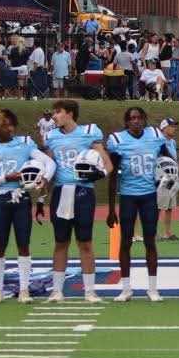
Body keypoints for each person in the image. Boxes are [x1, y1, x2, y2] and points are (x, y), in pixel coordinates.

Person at [0, 109, 55, 303]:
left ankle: (24, 290)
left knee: (24, 244)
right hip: (1, 199)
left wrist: (44, 178)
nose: (10, 128)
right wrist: (6, 177)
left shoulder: (25, 143)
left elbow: (49, 163)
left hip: (22, 199)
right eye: (5, 125)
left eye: (12, 124)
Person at [40, 100, 111, 303]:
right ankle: (57, 291)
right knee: (60, 242)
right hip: (61, 191)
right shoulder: (51, 136)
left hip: (83, 192)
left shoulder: (89, 133)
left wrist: (97, 175)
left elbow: (107, 164)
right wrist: (42, 195)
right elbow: (49, 168)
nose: (54, 116)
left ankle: (90, 291)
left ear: (70, 113)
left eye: (58, 112)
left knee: (85, 242)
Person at [106, 107, 169, 302]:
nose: (136, 121)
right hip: (128, 196)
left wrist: (166, 180)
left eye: (139, 117)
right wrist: (111, 209)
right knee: (125, 242)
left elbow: (169, 163)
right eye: (132, 118)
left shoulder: (155, 136)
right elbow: (112, 176)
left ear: (145, 119)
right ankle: (126, 289)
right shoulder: (118, 140)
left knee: (150, 241)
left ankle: (152, 288)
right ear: (126, 121)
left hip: (149, 195)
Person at [155, 117, 179, 241]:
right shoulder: (158, 141)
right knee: (158, 205)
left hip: (172, 176)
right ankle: (153, 232)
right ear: (164, 128)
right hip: (162, 176)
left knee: (169, 206)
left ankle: (167, 232)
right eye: (171, 126)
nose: (174, 128)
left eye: (174, 126)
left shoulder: (173, 142)